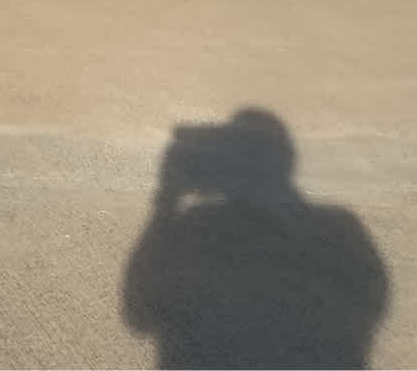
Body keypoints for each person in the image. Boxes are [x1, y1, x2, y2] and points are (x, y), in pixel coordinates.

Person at [122, 109, 387, 368]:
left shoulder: (196, 231)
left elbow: (140, 312)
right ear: (287, 161)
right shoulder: (336, 231)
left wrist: (167, 200)